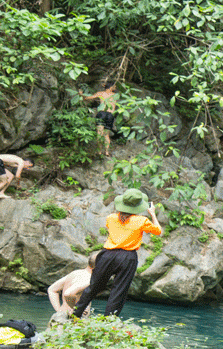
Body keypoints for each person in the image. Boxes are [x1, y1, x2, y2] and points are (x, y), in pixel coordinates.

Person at [72, 188, 162, 318]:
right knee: (119, 290)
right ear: (137, 207)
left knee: (94, 286)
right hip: (127, 257)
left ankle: (75, 315)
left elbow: (114, 230)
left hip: (107, 254)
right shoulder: (142, 220)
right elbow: (158, 231)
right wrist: (152, 214)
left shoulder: (111, 218)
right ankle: (109, 321)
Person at [79, 81, 118, 156]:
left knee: (99, 134)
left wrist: (81, 94)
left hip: (102, 113)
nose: (115, 88)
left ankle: (99, 151)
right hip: (110, 115)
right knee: (106, 135)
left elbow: (87, 98)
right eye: (114, 87)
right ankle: (106, 152)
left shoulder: (101, 93)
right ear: (111, 87)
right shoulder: (115, 96)